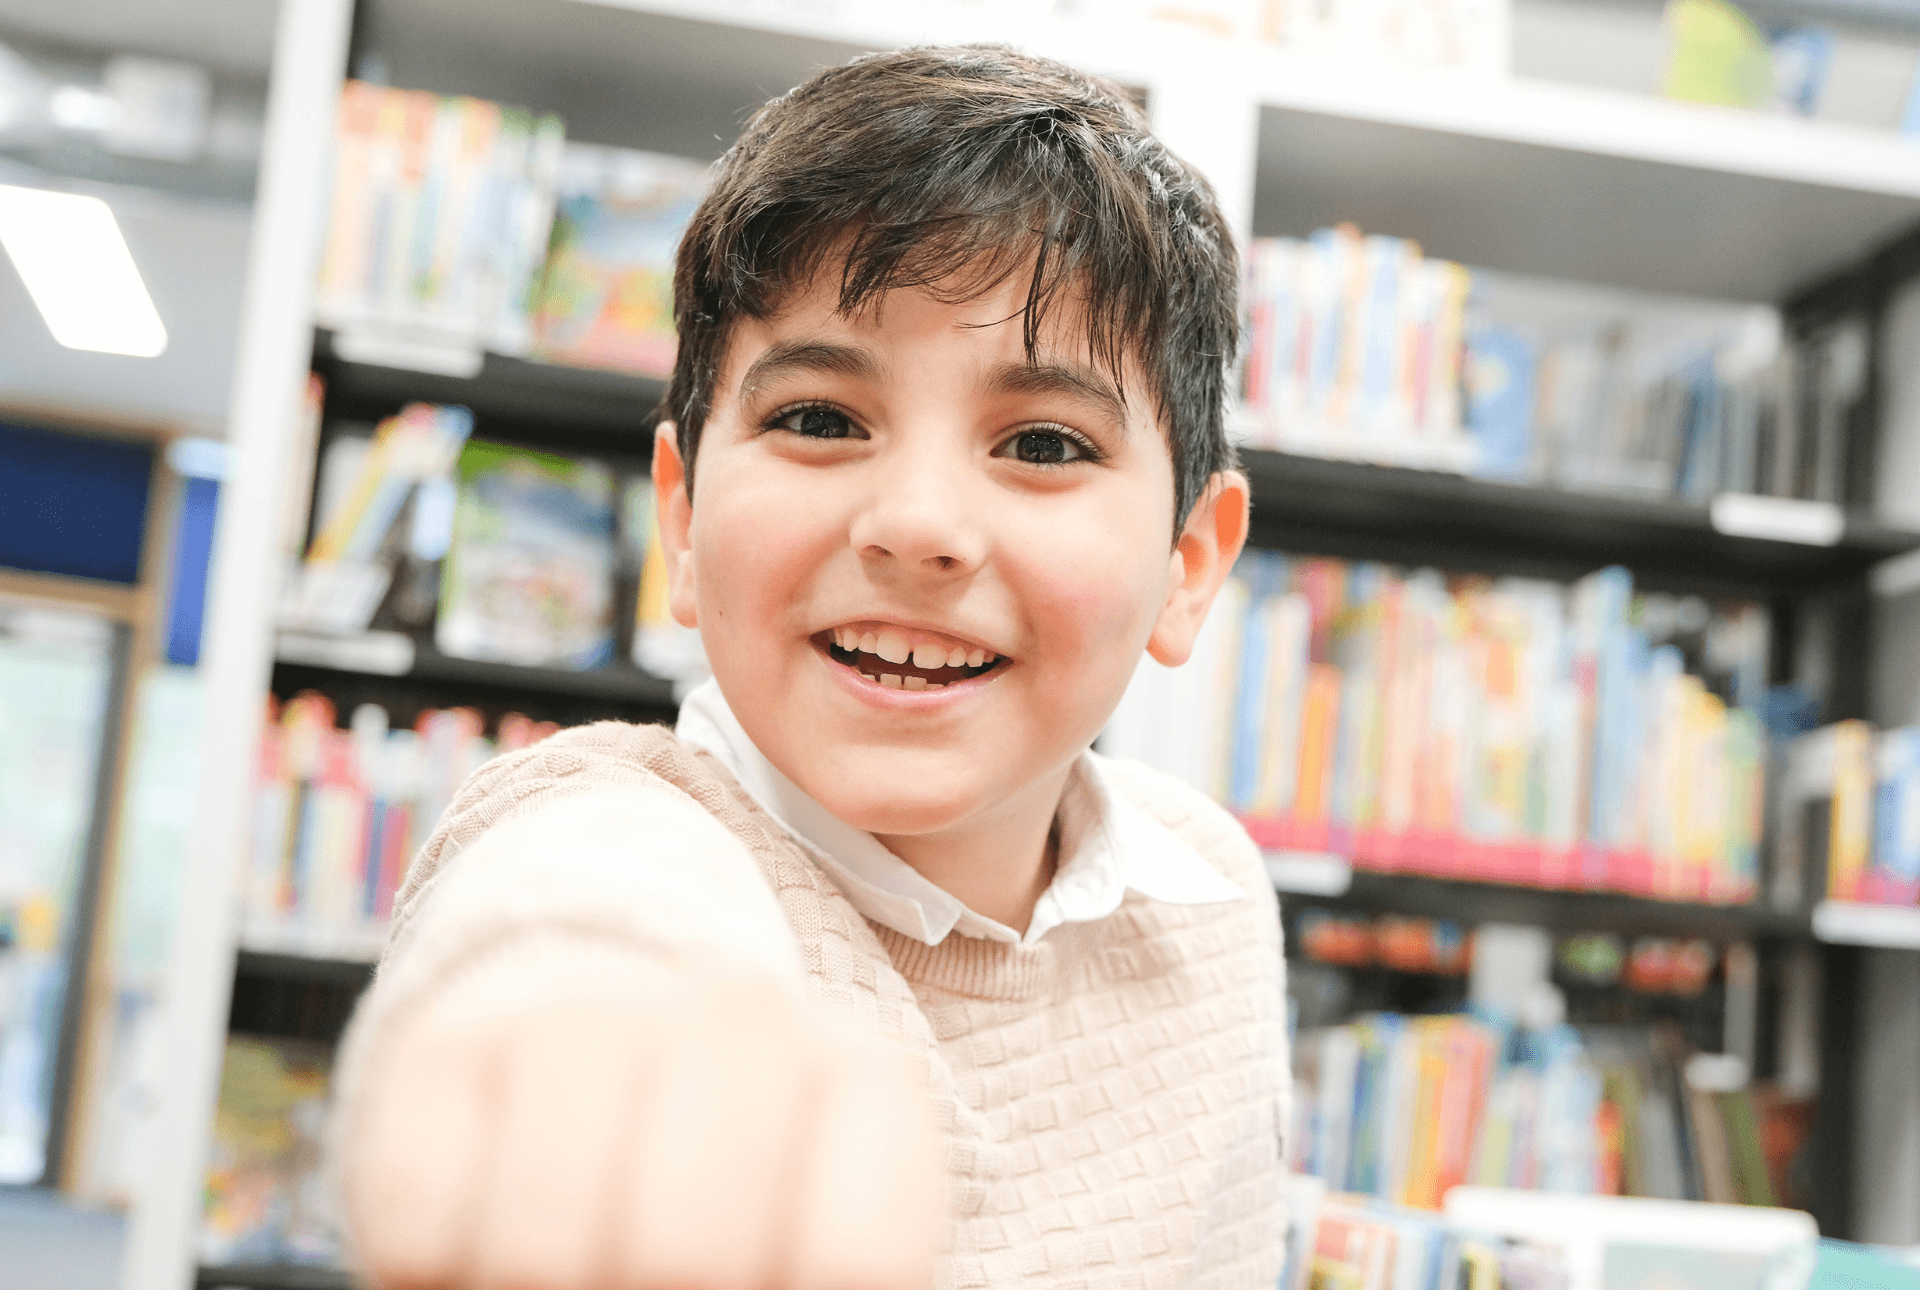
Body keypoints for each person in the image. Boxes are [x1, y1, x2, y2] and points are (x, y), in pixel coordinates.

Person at [333, 43, 1289, 1290]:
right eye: (820, 420)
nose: (918, 523)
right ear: (682, 519)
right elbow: (583, 911)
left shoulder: (1212, 893)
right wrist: (579, 1048)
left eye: (1044, 443)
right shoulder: (609, 827)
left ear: (1189, 563)